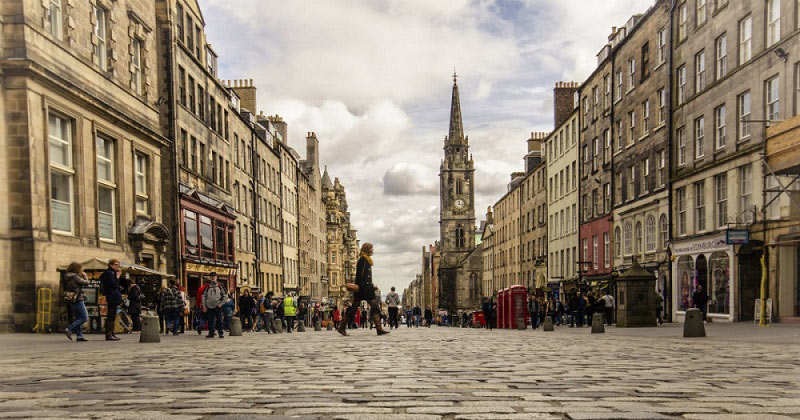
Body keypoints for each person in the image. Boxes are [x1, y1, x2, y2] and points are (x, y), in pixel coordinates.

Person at [337, 242, 389, 336]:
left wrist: (372, 286)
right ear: (367, 249)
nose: (372, 250)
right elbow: (359, 276)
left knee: (373, 306)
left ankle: (379, 328)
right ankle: (342, 327)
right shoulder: (362, 260)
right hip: (363, 289)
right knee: (355, 308)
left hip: (367, 288)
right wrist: (361, 287)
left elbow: (366, 277)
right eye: (371, 249)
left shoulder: (367, 260)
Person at [64, 262, 89, 342]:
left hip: (71, 298)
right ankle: (69, 328)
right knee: (84, 317)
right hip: (78, 298)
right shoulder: (75, 277)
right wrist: (85, 276)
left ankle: (79, 336)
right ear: (77, 269)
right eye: (81, 269)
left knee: (78, 317)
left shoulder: (68, 276)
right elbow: (86, 283)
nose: (82, 270)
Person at [99, 259, 123, 341]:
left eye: (118, 264)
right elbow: (114, 284)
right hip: (112, 297)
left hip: (113, 296)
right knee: (111, 316)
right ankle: (109, 335)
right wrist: (118, 276)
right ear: (111, 265)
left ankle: (112, 333)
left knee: (113, 316)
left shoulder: (111, 273)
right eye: (116, 264)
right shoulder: (109, 273)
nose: (117, 266)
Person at [202, 272, 226, 338]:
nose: (213, 278)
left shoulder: (220, 286)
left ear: (216, 277)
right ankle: (211, 332)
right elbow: (203, 296)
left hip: (217, 306)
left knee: (220, 320)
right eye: (211, 276)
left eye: (214, 276)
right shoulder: (207, 287)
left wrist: (221, 304)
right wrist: (204, 306)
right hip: (209, 306)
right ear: (210, 278)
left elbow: (225, 296)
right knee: (210, 320)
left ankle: (220, 333)